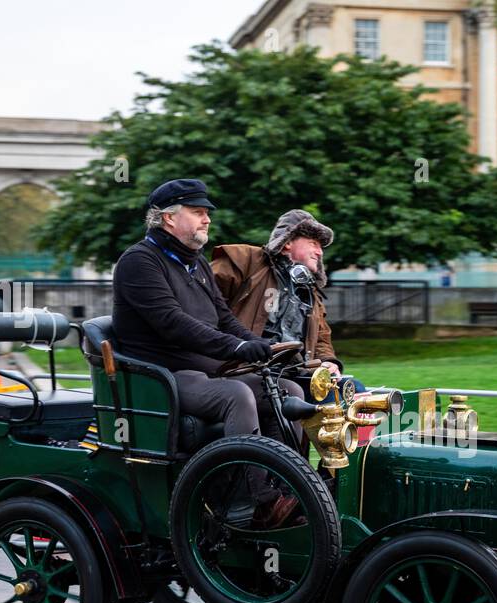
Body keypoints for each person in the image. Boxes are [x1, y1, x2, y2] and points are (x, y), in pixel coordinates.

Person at [112, 178, 303, 527]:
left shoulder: (196, 263)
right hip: (161, 377)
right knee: (237, 396)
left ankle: (292, 491)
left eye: (206, 214)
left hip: (208, 370)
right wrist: (238, 347)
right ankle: (255, 503)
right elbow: (172, 322)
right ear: (169, 219)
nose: (207, 220)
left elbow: (225, 318)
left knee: (288, 390)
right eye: (198, 212)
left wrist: (258, 347)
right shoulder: (139, 262)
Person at [212, 209, 364, 402]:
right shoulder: (247, 262)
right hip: (247, 367)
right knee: (327, 402)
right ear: (287, 242)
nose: (320, 252)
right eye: (313, 243)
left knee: (355, 390)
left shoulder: (310, 292)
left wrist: (328, 362)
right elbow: (200, 295)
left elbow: (321, 339)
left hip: (293, 371)